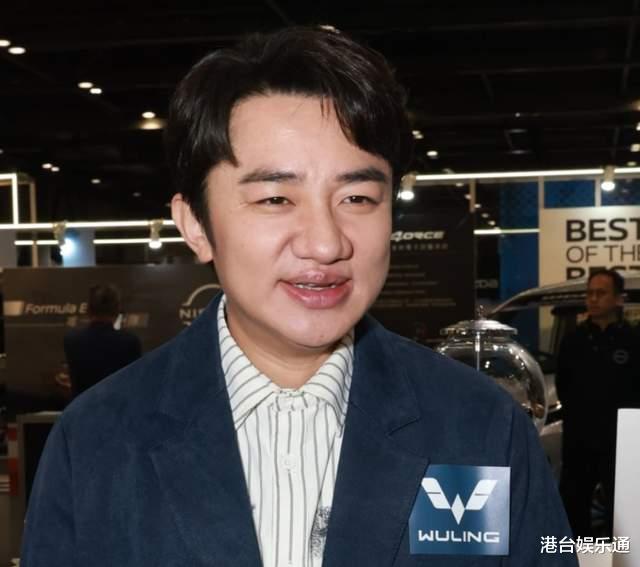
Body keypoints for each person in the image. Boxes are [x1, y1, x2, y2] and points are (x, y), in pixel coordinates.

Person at [21, 27, 575, 566]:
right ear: (195, 224)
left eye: (357, 197)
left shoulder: (478, 425)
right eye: (275, 199)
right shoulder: (98, 439)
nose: (326, 243)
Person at [557, 269, 640, 536]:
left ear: (618, 299)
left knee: (622, 505)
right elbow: (563, 385)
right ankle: (573, 554)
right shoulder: (574, 340)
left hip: (621, 440)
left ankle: (623, 554)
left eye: (601, 293)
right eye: (590, 293)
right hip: (579, 439)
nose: (593, 299)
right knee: (573, 502)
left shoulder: (633, 340)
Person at [63, 284, 142, 398]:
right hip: (116, 407)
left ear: (88, 310)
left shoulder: (71, 340)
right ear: (117, 311)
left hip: (84, 407)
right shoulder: (130, 342)